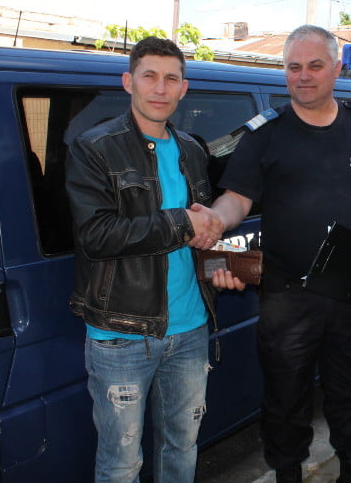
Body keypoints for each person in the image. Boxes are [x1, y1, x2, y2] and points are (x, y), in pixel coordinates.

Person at [209, 25, 351, 483]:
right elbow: (236, 199)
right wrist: (215, 221)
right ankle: (288, 473)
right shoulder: (266, 134)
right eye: (293, 67)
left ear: (335, 69)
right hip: (289, 297)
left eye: (314, 66)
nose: (303, 76)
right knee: (286, 396)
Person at [65, 36, 242, 483]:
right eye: (149, 76)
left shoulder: (193, 150)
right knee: (121, 464)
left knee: (181, 448)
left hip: (191, 328)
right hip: (122, 334)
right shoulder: (94, 147)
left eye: (171, 78)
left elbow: (203, 229)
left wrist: (222, 268)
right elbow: (96, 235)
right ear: (129, 82)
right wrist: (181, 221)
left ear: (184, 88)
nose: (160, 88)